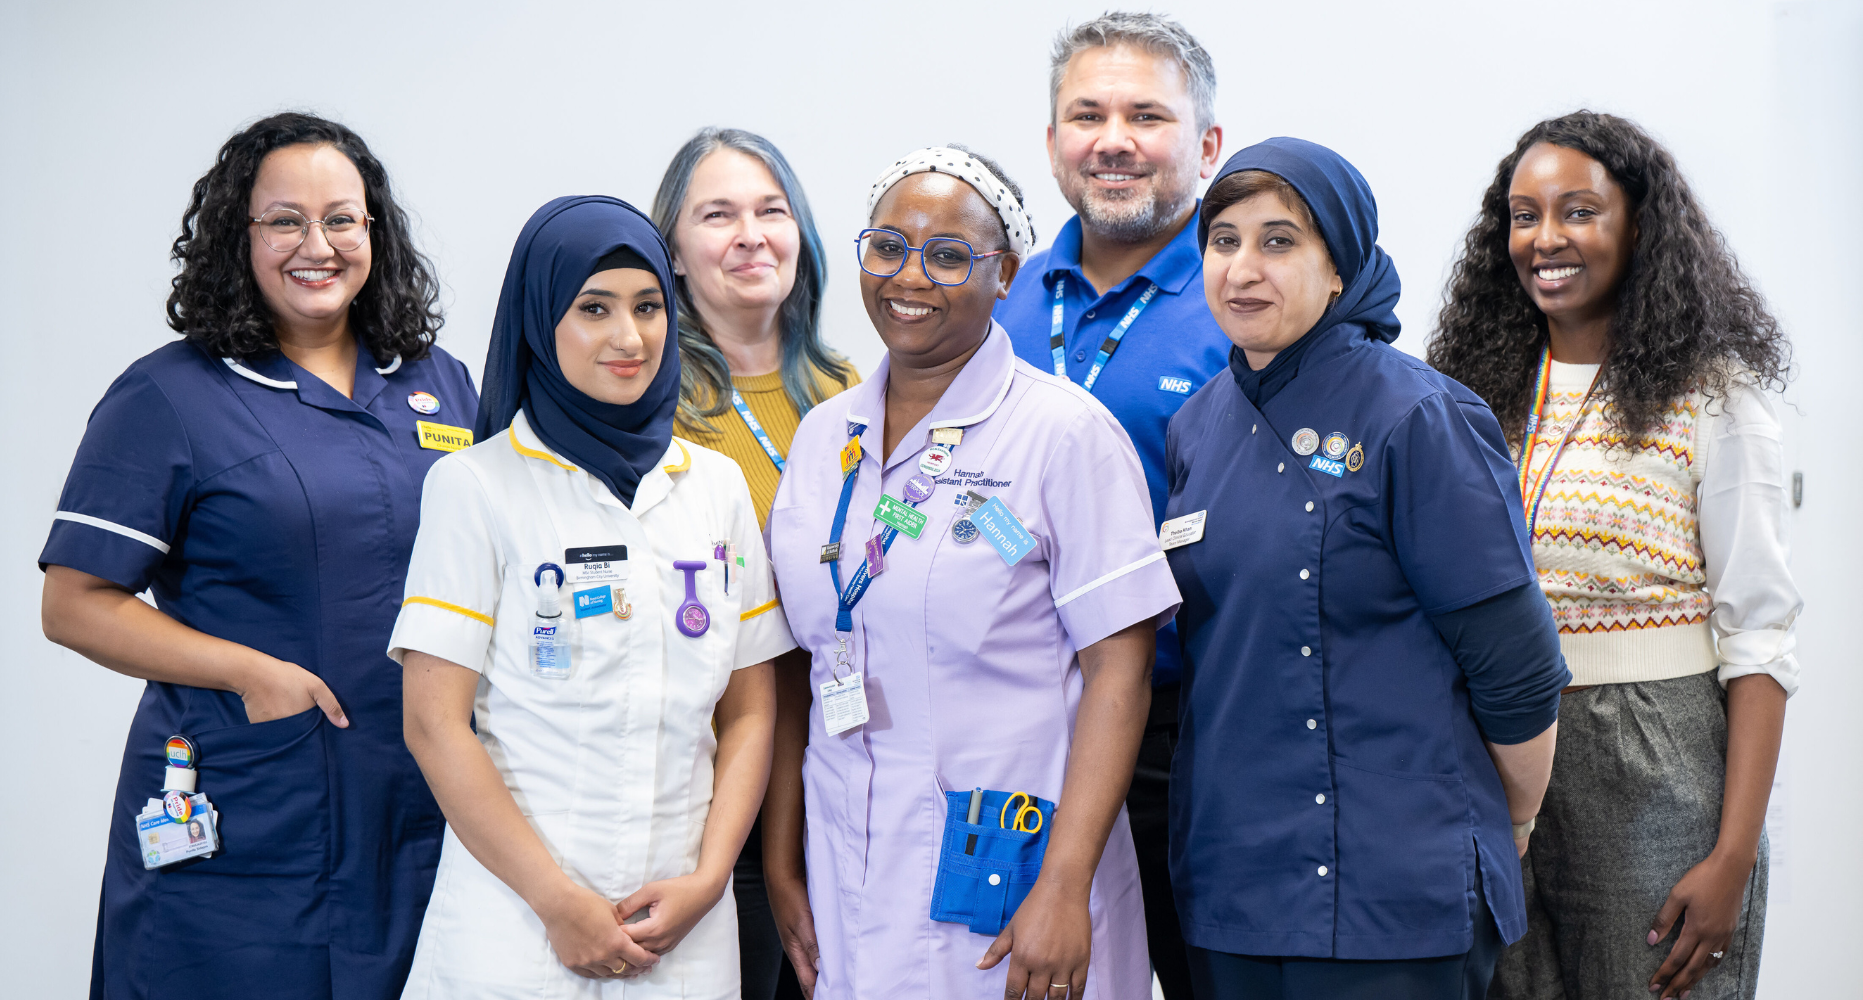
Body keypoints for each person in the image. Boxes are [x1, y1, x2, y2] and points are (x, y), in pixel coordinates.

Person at [39, 111, 473, 1000]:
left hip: (417, 799)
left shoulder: (442, 384)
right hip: (251, 809)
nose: (317, 245)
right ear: (238, 236)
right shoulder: (167, 395)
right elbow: (74, 601)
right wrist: (250, 674)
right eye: (284, 220)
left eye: (342, 219)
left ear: (373, 232)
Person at [762, 146, 1180, 999]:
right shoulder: (823, 437)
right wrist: (781, 864)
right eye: (887, 246)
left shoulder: (1064, 436)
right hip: (848, 860)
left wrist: (1064, 884)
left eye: (949, 256)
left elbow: (1120, 671)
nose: (909, 277)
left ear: (1005, 275)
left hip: (1015, 870)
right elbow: (799, 666)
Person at [1162, 138, 1570, 999]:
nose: (1243, 268)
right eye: (1223, 239)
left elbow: (1518, 666)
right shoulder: (1197, 426)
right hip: (1233, 876)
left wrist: (1514, 814)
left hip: (1394, 886)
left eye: (1279, 241)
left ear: (1340, 266)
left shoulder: (1418, 416)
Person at [1428, 111, 1799, 1000]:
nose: (1544, 239)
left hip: (1653, 756)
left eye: (1578, 211)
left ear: (1640, 224)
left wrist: (1733, 858)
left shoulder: (1714, 396)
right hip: (1494, 751)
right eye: (1523, 215)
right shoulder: (1470, 398)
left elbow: (1760, 637)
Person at [389, 196, 793, 998]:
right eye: (593, 309)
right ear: (542, 321)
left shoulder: (712, 487)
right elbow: (434, 724)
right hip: (518, 922)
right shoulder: (476, 487)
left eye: (648, 307)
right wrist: (557, 901)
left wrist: (711, 878)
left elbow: (750, 707)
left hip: (680, 918)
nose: (629, 338)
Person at [993, 19, 1228, 988]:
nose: (1114, 139)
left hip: (1186, 736)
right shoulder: (998, 300)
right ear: (1051, 143)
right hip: (1011, 732)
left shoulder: (1241, 295)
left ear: (1207, 145)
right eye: (1086, 115)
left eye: (1147, 115)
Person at [651, 126, 857, 1000]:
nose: (749, 234)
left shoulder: (850, 389)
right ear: (673, 251)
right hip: (714, 794)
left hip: (845, 771)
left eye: (771, 211)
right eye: (717, 214)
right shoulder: (652, 404)